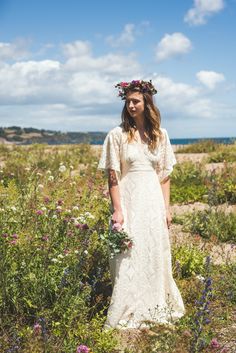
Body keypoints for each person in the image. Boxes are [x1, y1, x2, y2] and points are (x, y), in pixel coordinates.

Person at [97, 79, 185, 330]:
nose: (131, 105)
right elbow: (112, 176)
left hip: (153, 200)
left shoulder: (161, 135)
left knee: (154, 251)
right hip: (129, 200)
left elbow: (165, 176)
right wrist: (117, 210)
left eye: (136, 101)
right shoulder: (117, 135)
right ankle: (128, 305)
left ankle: (155, 304)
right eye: (128, 102)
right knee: (128, 254)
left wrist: (167, 208)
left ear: (147, 103)